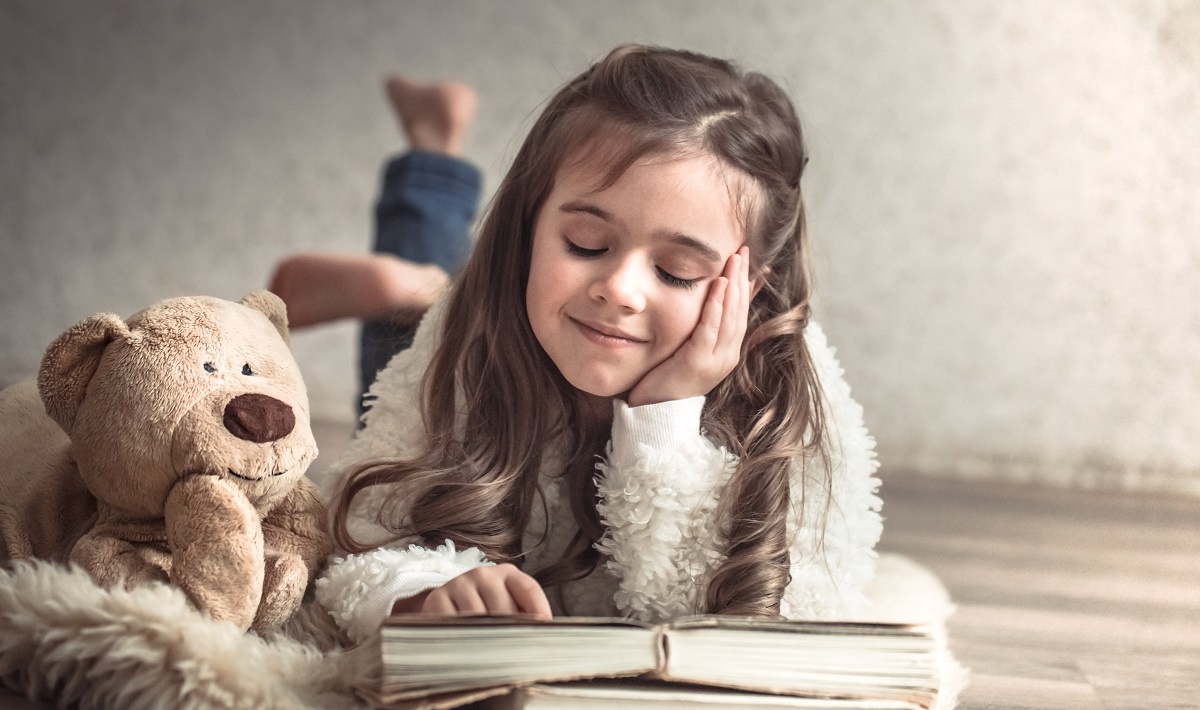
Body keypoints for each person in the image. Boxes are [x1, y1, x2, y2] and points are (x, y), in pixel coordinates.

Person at [305, 44, 882, 646]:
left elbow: (782, 619)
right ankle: (421, 231)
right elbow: (366, 537)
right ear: (529, 227)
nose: (620, 290)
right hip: (474, 325)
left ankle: (410, 271)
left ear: (747, 288)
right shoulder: (470, 331)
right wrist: (423, 596)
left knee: (413, 318)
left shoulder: (793, 391)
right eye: (584, 242)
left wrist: (665, 419)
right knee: (391, 363)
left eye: (678, 272)